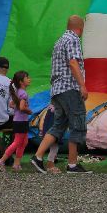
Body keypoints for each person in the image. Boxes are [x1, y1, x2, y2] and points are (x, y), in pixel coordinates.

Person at [30, 15, 91, 174]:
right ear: (81, 28)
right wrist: (82, 86)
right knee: (78, 123)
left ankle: (37, 157)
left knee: (59, 126)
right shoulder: (73, 39)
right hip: (69, 88)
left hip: (57, 90)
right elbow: (73, 62)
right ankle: (72, 165)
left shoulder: (59, 41)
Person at [0, 70, 31, 171]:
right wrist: (28, 110)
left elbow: (11, 104)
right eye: (27, 78)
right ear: (21, 82)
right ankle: (1, 161)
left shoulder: (18, 92)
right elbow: (21, 108)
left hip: (19, 121)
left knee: (24, 142)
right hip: (21, 122)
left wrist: (19, 106)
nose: (29, 79)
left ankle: (16, 164)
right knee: (17, 142)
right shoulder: (23, 94)